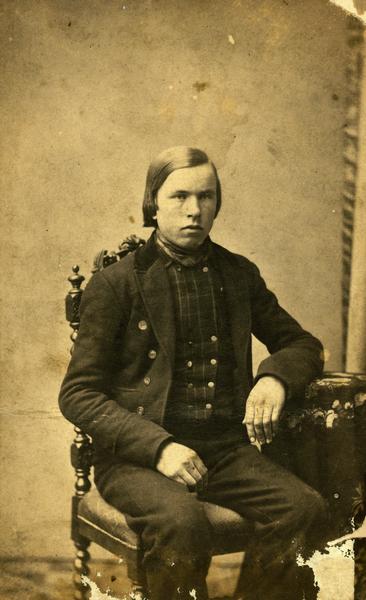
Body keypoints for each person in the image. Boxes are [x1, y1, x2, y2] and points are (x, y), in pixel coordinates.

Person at [59, 146, 328, 600]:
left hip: (224, 450)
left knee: (305, 509)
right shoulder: (117, 283)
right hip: (137, 460)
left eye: (206, 197)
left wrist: (274, 378)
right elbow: (78, 394)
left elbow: (302, 344)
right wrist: (159, 448)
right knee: (182, 524)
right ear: (153, 203)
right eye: (179, 196)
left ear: (217, 203)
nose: (194, 210)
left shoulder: (238, 274)